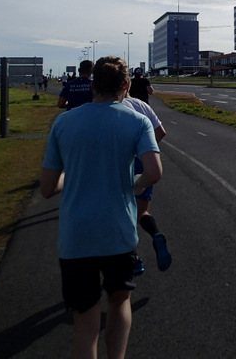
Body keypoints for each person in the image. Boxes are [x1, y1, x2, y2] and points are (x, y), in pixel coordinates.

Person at [41, 56, 162, 359]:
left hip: (75, 235)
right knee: (119, 301)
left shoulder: (64, 122)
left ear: (92, 84)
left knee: (85, 322)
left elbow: (46, 188)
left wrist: (72, 175)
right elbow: (154, 173)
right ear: (126, 85)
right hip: (118, 232)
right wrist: (131, 184)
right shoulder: (137, 121)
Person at [122, 95, 172, 272]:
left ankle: (132, 256)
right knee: (142, 210)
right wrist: (146, 149)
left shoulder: (107, 106)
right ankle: (155, 234)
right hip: (142, 160)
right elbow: (161, 132)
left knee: (122, 211)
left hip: (121, 161)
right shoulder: (141, 105)